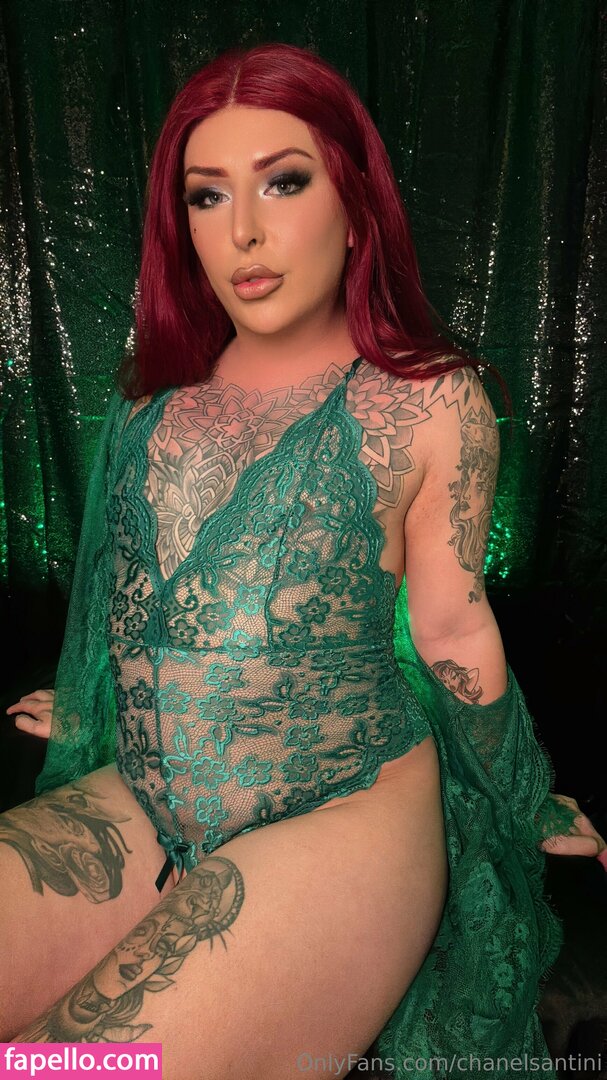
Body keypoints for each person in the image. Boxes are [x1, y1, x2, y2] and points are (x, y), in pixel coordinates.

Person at [2, 41, 605, 1080]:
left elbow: (451, 628)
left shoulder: (429, 398)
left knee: (56, 1072)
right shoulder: (151, 393)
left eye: (283, 182)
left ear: (355, 204)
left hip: (341, 805)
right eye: (206, 195)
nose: (242, 230)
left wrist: (523, 794)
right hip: (148, 790)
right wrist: (104, 695)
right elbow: (130, 589)